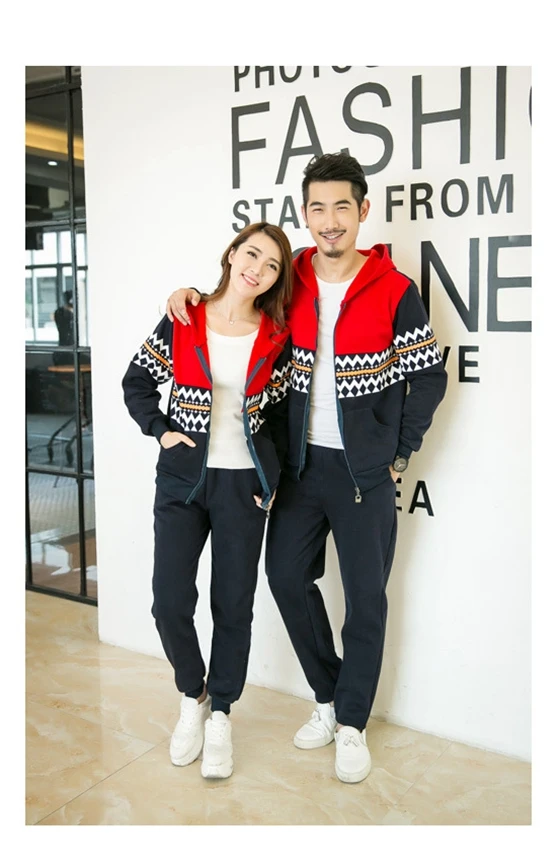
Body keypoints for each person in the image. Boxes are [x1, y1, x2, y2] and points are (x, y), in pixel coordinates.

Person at [165, 153, 447, 784]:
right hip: (298, 467)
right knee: (286, 578)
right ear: (305, 213)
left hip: (364, 474)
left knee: (366, 600)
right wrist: (188, 296)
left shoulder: (394, 291)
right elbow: (232, 305)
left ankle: (352, 724)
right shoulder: (288, 279)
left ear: (363, 210)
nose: (329, 220)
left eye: (342, 206)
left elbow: (429, 375)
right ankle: (329, 696)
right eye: (317, 207)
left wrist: (398, 452)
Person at [123, 222, 293, 779]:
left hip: (243, 485)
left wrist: (271, 476)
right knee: (169, 601)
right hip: (183, 481)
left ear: (277, 279)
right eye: (252, 254)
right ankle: (192, 695)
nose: (258, 269)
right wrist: (161, 430)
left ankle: (221, 712)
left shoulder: (276, 334)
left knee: (233, 605)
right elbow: (137, 382)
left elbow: (282, 414)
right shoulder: (185, 317)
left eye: (271, 265)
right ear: (232, 254)